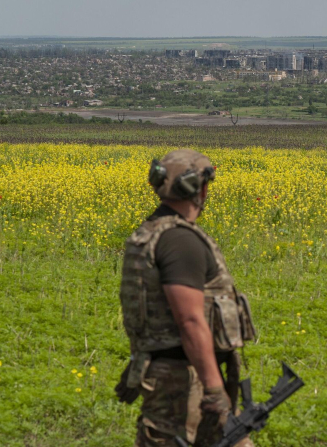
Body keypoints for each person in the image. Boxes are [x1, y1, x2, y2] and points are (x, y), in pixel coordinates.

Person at [115, 149, 256, 447]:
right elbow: (190, 320)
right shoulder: (180, 241)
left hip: (168, 376)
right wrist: (216, 392)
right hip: (185, 384)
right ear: (201, 189)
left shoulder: (148, 234)